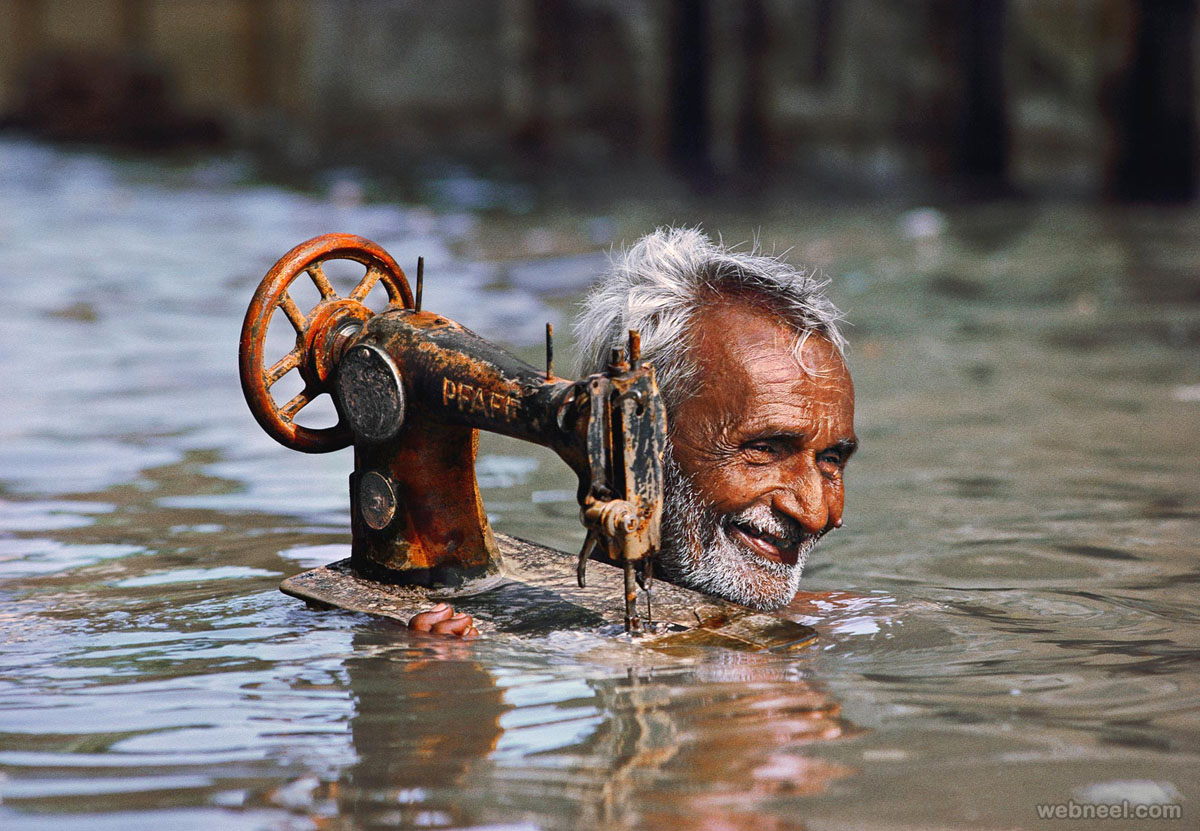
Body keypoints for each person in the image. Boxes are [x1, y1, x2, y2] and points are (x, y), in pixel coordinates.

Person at [410, 227, 856, 637]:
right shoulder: (460, 641)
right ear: (626, 436)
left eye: (832, 459)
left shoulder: (847, 622)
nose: (818, 514)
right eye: (766, 448)